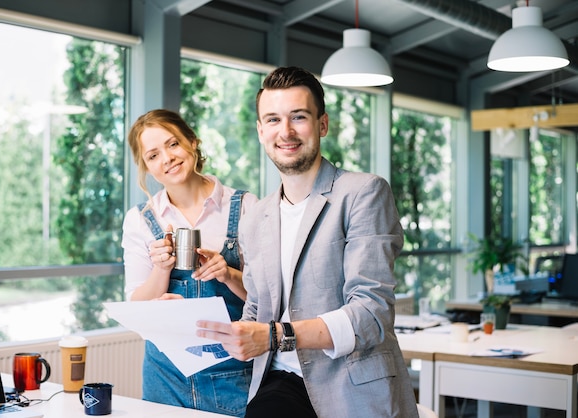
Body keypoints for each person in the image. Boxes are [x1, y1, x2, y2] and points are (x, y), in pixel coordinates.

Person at [196, 67, 419, 417]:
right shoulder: (256, 216)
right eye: (272, 119)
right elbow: (257, 310)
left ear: (322, 124)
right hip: (280, 384)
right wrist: (189, 320)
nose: (285, 132)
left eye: (298, 117)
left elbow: (371, 315)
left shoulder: (363, 193)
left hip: (350, 386)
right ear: (260, 130)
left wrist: (274, 335)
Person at [121, 109, 257, 417]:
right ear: (147, 167)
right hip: (164, 378)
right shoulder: (141, 219)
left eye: (173, 144)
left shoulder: (246, 207)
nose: (167, 159)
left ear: (192, 143)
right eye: (153, 155)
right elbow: (136, 304)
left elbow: (267, 301)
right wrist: (162, 268)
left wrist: (228, 274)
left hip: (232, 375)